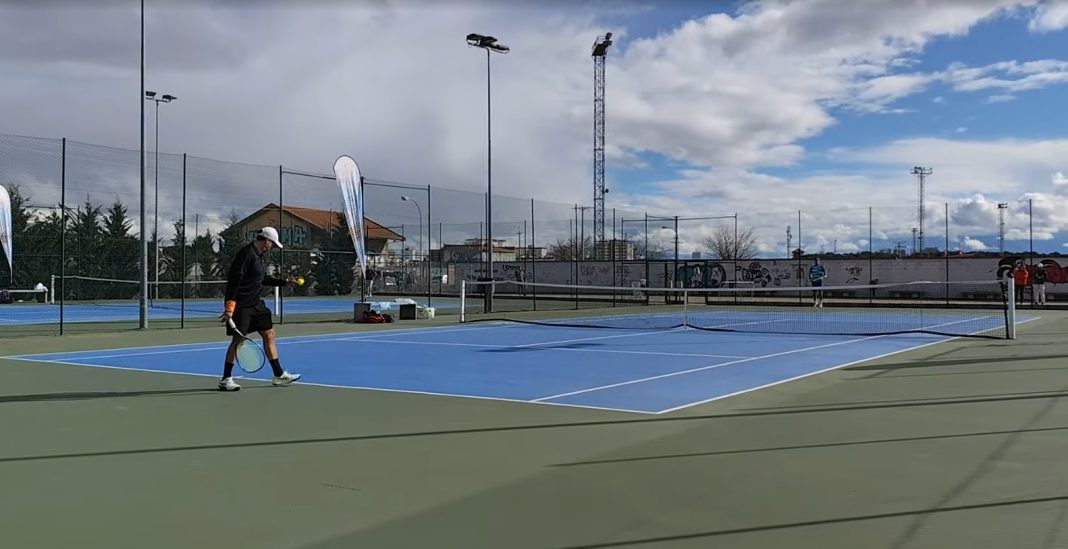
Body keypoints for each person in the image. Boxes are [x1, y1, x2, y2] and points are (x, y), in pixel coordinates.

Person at [217, 226, 301, 392]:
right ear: (266, 241)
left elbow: (263, 279)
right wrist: (230, 307)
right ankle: (226, 379)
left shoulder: (260, 256)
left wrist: (285, 282)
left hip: (256, 304)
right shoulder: (246, 254)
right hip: (241, 305)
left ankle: (278, 374)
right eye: (272, 244)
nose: (272, 247)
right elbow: (234, 280)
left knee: (269, 334)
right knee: (238, 340)